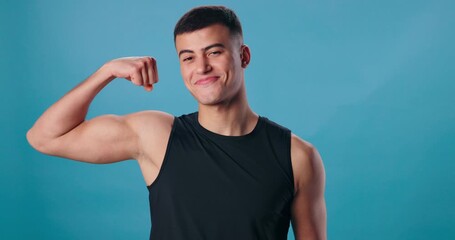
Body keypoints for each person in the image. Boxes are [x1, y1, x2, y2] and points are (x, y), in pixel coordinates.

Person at [27, 5, 326, 240]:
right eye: (188, 57)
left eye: (214, 52)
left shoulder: (297, 156)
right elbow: (44, 137)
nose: (202, 67)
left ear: (243, 56)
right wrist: (105, 72)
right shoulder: (157, 137)